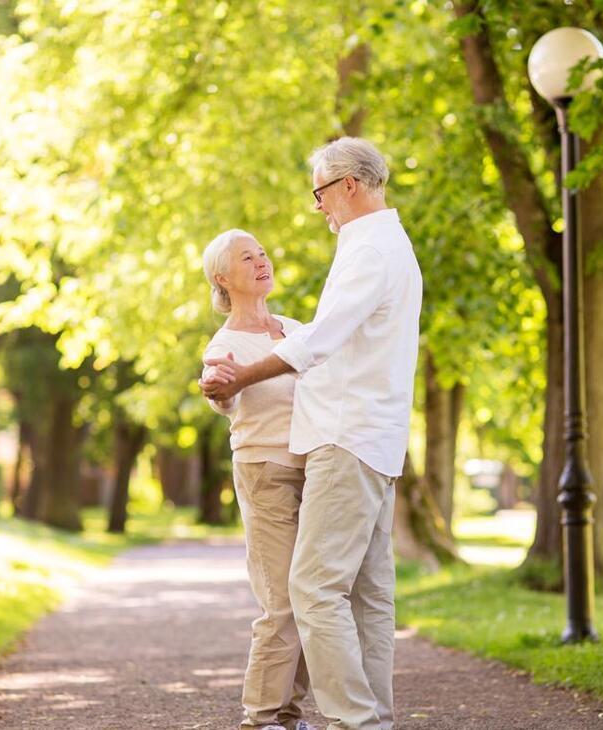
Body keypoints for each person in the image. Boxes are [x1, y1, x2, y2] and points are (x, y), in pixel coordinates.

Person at [203, 137, 422, 730]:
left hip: (348, 439)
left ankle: (357, 721)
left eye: (320, 193)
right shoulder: (384, 246)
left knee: (314, 589)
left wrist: (243, 376)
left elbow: (319, 341)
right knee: (367, 597)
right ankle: (372, 718)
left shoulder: (370, 251)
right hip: (373, 440)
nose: (317, 207)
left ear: (347, 185)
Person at [199, 228, 313, 730]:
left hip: (317, 467)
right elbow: (224, 397)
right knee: (280, 598)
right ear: (224, 278)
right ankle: (262, 717)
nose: (262, 261)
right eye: (248, 257)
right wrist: (218, 390)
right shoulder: (224, 343)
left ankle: (289, 713)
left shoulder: (296, 327)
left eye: (263, 253)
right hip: (265, 469)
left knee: (313, 596)